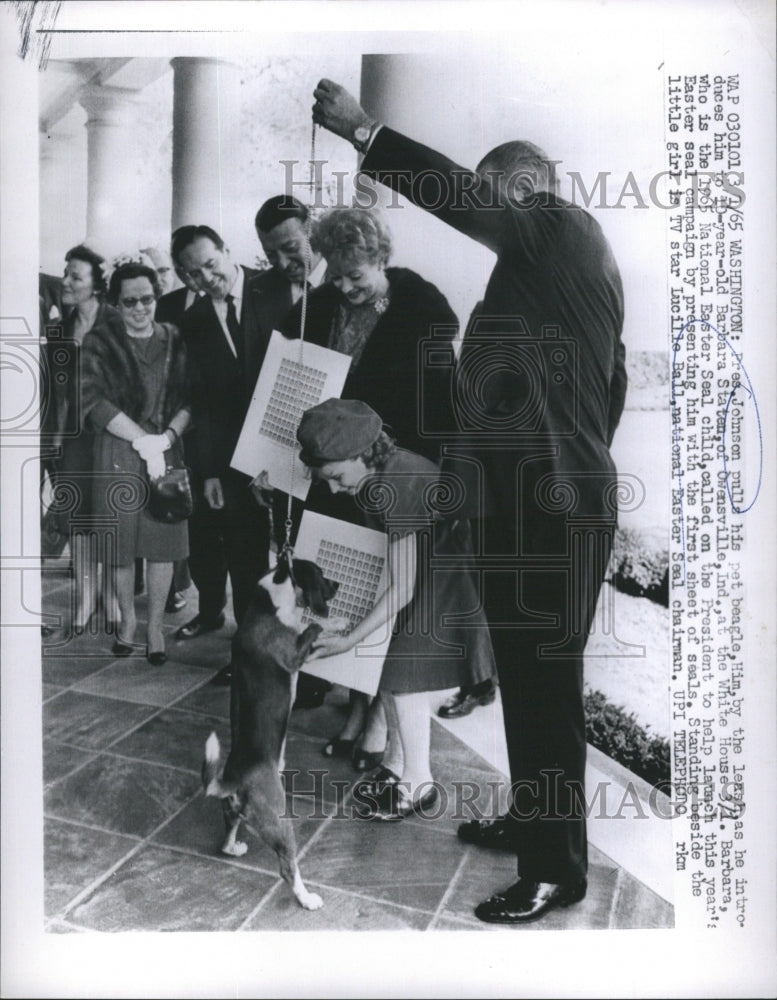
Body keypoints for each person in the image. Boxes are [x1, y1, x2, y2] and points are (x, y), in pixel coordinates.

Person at [313, 80, 628, 923]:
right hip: (539, 499)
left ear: (522, 190)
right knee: (528, 681)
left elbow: (462, 197)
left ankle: (555, 871)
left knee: (545, 683)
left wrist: (365, 131)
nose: (488, 217)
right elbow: (610, 390)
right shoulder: (565, 281)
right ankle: (535, 818)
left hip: (548, 511)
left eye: (495, 198)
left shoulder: (560, 226)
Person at [281, 206, 472, 761]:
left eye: (355, 276)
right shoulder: (318, 308)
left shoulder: (423, 312)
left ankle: (376, 723)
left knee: (388, 584)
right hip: (336, 476)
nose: (344, 288)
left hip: (389, 471)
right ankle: (356, 705)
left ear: (381, 259)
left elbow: (439, 408)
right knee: (347, 578)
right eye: (334, 276)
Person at [299, 399, 495, 820]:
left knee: (403, 680)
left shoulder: (395, 485)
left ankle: (418, 784)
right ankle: (395, 766)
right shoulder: (379, 473)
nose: (333, 489)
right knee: (391, 676)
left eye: (335, 477)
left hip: (452, 578)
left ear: (360, 454)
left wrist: (349, 640)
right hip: (432, 569)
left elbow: (401, 588)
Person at [175, 224, 273, 683]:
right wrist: (211, 472)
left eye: (211, 264)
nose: (206, 278)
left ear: (227, 251)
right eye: (193, 274)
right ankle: (249, 653)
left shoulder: (277, 290)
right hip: (232, 460)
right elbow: (205, 402)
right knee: (245, 556)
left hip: (293, 446)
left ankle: (313, 667)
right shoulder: (192, 323)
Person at [81, 261, 190, 664]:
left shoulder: (175, 339)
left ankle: (155, 626)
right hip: (118, 452)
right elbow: (92, 400)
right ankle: (128, 621)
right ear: (116, 302)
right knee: (121, 546)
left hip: (165, 453)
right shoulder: (100, 341)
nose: (140, 308)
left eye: (147, 299)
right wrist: (142, 439)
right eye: (130, 302)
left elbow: (189, 399)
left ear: (157, 296)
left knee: (162, 543)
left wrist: (167, 438)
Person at [252, 195, 330, 709]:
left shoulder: (351, 280)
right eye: (272, 254)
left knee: (332, 559)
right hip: (287, 451)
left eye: (290, 248)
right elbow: (262, 383)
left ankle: (337, 669)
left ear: (314, 227)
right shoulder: (265, 294)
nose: (283, 264)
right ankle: (302, 661)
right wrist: (261, 460)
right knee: (294, 554)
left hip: (343, 460)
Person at [42, 245, 119, 634]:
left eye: (76, 276)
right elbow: (57, 389)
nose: (66, 282)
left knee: (110, 518)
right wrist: (53, 437)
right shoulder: (59, 329)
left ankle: (111, 596)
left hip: (110, 436)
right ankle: (87, 598)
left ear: (97, 285)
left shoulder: (118, 322)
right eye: (66, 273)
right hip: (72, 439)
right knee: (80, 520)